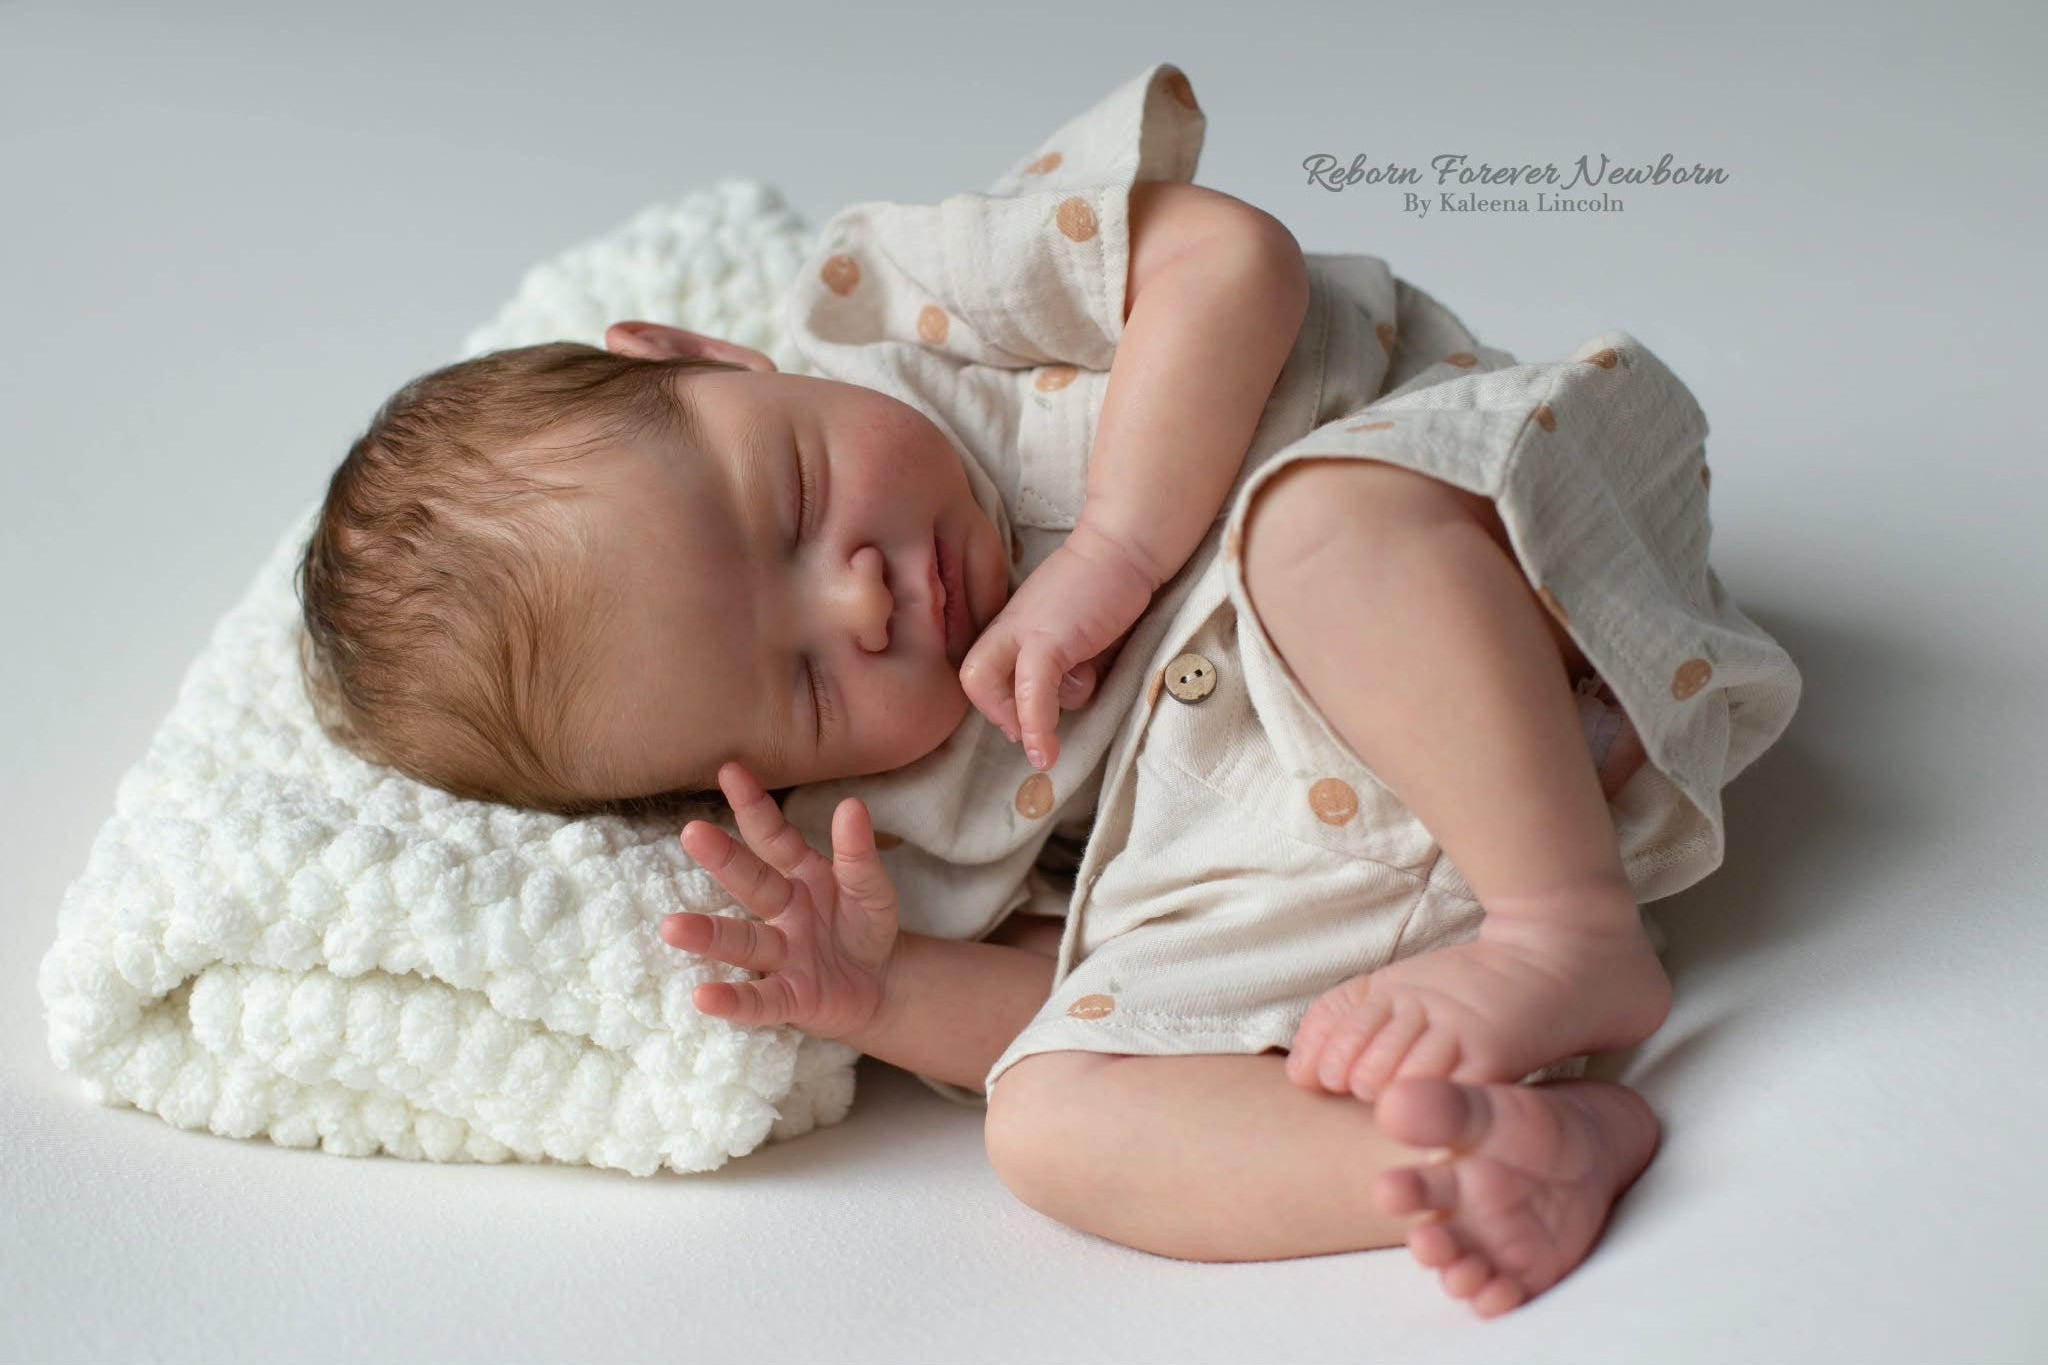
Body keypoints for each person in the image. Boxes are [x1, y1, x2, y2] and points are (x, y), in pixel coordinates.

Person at [296, 63, 1800, 1316]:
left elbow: (1231, 260)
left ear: (712, 357)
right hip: (1364, 917)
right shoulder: (874, 827)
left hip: (1499, 584)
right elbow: (1068, 981)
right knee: (1045, 1122)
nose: (862, 599)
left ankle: (1567, 929)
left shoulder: (917, 304)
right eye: (803, 686)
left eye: (796, 499)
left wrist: (1117, 543)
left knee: (1318, 529)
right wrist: (884, 992)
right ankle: (1493, 1152)